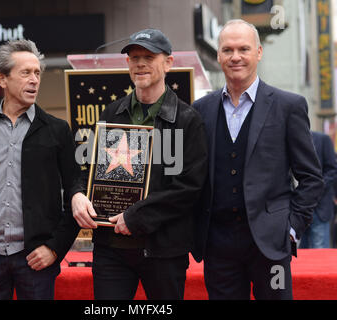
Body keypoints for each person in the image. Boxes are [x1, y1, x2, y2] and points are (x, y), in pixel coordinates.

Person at [192, 19, 324, 300]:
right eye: (227, 50)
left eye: (243, 49)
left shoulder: (288, 106)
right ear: (218, 55)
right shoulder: (201, 109)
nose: (235, 56)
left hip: (271, 245)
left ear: (259, 52)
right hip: (218, 246)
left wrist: (291, 228)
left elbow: (312, 177)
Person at [72, 28, 208, 300]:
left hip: (163, 250)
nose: (141, 63)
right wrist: (77, 193)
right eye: (134, 57)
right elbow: (86, 166)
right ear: (127, 64)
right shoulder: (112, 113)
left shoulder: (187, 119)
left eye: (149, 56)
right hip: (111, 248)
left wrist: (137, 217)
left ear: (168, 63)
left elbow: (189, 188)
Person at [0, 39, 82, 300]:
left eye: (37, 73)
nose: (34, 80)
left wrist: (55, 248)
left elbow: (74, 192)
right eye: (25, 73)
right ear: (2, 79)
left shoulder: (57, 131)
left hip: (36, 258)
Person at [299, 131, 337, 248]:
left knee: (319, 254)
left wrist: (315, 190)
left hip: (319, 208)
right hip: (298, 210)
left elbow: (332, 170)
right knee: (300, 254)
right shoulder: (290, 139)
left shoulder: (323, 139)